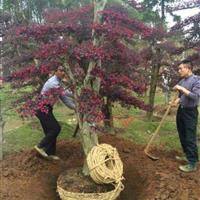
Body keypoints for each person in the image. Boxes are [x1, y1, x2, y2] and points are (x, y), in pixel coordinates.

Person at [34, 66, 75, 160]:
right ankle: (40, 146)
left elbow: (66, 100)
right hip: (42, 108)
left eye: (64, 70)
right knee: (55, 128)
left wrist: (76, 108)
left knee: (50, 132)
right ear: (55, 71)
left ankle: (49, 154)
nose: (63, 72)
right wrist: (77, 95)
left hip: (47, 109)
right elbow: (65, 93)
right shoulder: (53, 83)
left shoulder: (59, 83)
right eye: (60, 70)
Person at [173, 59, 200, 172]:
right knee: (182, 134)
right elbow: (181, 96)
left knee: (189, 137)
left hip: (190, 112)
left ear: (188, 69)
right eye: (178, 68)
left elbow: (195, 96)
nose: (179, 70)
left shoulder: (197, 81)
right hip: (181, 111)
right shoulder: (182, 81)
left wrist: (182, 89)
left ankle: (192, 163)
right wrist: (176, 101)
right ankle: (187, 155)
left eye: (181, 68)